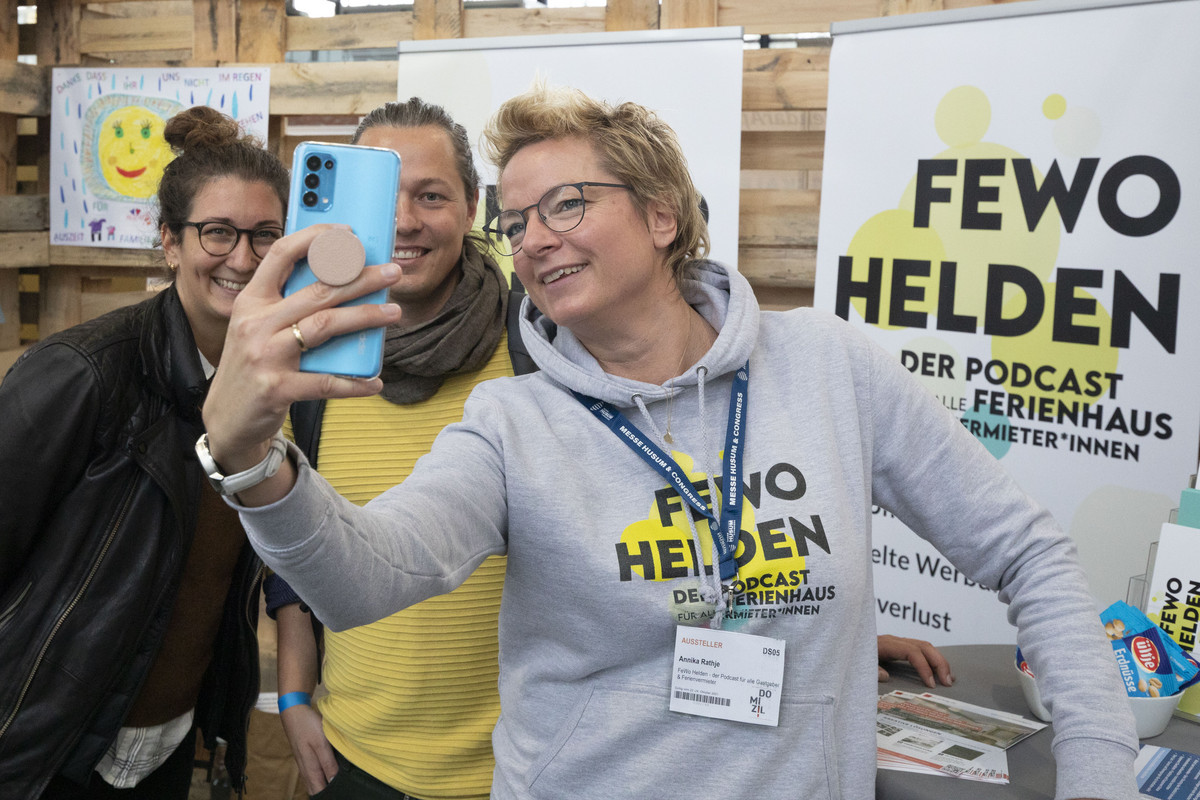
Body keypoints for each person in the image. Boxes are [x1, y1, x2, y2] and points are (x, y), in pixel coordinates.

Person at [199, 85, 1138, 799]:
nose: (530, 240)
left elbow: (1031, 555)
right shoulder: (512, 422)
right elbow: (373, 577)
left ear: (662, 214)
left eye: (565, 204)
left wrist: (1097, 772)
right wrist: (256, 462)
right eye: (517, 222)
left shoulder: (831, 368)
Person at [0, 106, 288, 799]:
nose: (242, 259)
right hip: (46, 747)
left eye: (264, 236)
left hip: (171, 743)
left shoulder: (278, 383)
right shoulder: (85, 372)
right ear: (169, 241)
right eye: (217, 232)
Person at [267, 98, 527, 800]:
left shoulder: (537, 352)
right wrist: (294, 695)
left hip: (517, 771)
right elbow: (289, 554)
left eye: (432, 196)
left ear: (473, 206)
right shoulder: (315, 366)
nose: (405, 221)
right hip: (357, 761)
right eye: (387, 196)